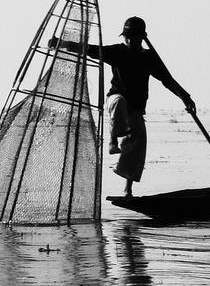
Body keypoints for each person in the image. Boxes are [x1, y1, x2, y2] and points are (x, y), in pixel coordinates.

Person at [52, 17, 195, 196]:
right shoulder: (118, 51)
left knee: (138, 142)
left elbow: (167, 80)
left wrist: (186, 98)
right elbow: (89, 49)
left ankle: (128, 190)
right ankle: (112, 140)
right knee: (120, 102)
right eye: (126, 36)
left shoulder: (148, 58)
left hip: (135, 107)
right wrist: (62, 43)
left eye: (133, 37)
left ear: (142, 37)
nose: (129, 40)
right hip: (115, 100)